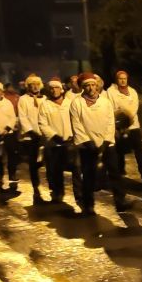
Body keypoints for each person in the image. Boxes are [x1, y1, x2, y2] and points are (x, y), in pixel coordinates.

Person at [70, 73, 131, 215]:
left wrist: (106, 141)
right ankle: (88, 205)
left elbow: (110, 123)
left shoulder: (105, 102)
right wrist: (87, 142)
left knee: (115, 173)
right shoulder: (76, 103)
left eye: (93, 85)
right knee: (89, 175)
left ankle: (120, 201)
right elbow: (76, 125)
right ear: (83, 87)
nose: (91, 88)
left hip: (107, 144)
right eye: (87, 85)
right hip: (87, 145)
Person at [38, 77, 82, 205]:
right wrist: (54, 136)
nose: (54, 90)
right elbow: (42, 124)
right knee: (56, 170)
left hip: (71, 142)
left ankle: (79, 194)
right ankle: (58, 193)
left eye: (56, 87)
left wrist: (75, 135)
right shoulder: (45, 105)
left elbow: (77, 120)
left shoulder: (70, 103)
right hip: (54, 144)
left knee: (76, 169)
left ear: (61, 89)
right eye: (51, 88)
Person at [107, 70, 142, 180]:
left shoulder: (132, 91)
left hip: (133, 124)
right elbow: (111, 106)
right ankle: (120, 170)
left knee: (138, 147)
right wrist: (120, 114)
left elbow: (134, 106)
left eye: (125, 78)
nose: (123, 81)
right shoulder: (111, 91)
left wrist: (127, 114)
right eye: (120, 79)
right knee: (120, 148)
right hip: (119, 124)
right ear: (117, 80)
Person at [18, 73, 48, 203]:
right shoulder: (23, 99)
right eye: (32, 85)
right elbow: (22, 117)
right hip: (31, 137)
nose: (35, 87)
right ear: (28, 86)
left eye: (37, 84)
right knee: (33, 164)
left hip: (45, 135)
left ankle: (53, 189)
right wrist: (30, 131)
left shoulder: (45, 99)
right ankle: (36, 187)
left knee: (47, 162)